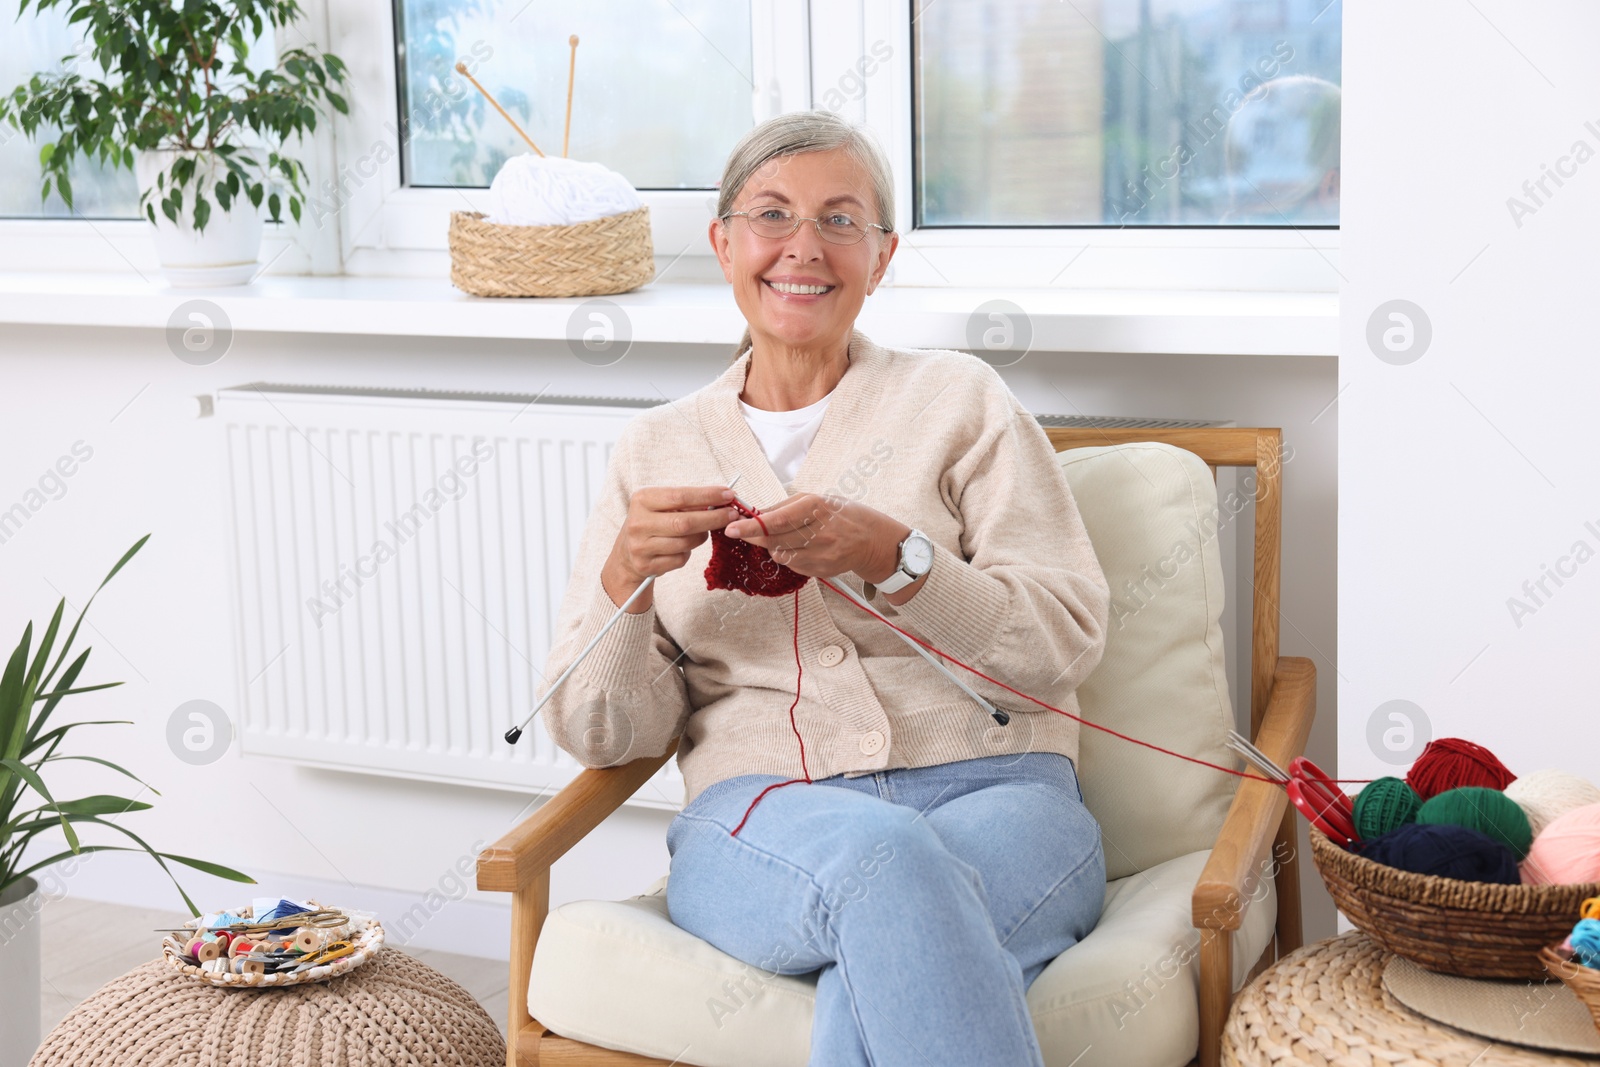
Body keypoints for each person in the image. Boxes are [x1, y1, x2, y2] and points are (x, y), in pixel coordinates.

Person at [538, 109, 1110, 1066]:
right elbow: (606, 733)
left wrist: (900, 559)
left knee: (884, 946)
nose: (804, 247)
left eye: (842, 220)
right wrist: (623, 585)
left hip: (1003, 795)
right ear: (723, 244)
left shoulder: (960, 402)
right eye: (771, 215)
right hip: (763, 815)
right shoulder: (655, 449)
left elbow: (1065, 637)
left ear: (881, 257)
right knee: (890, 869)